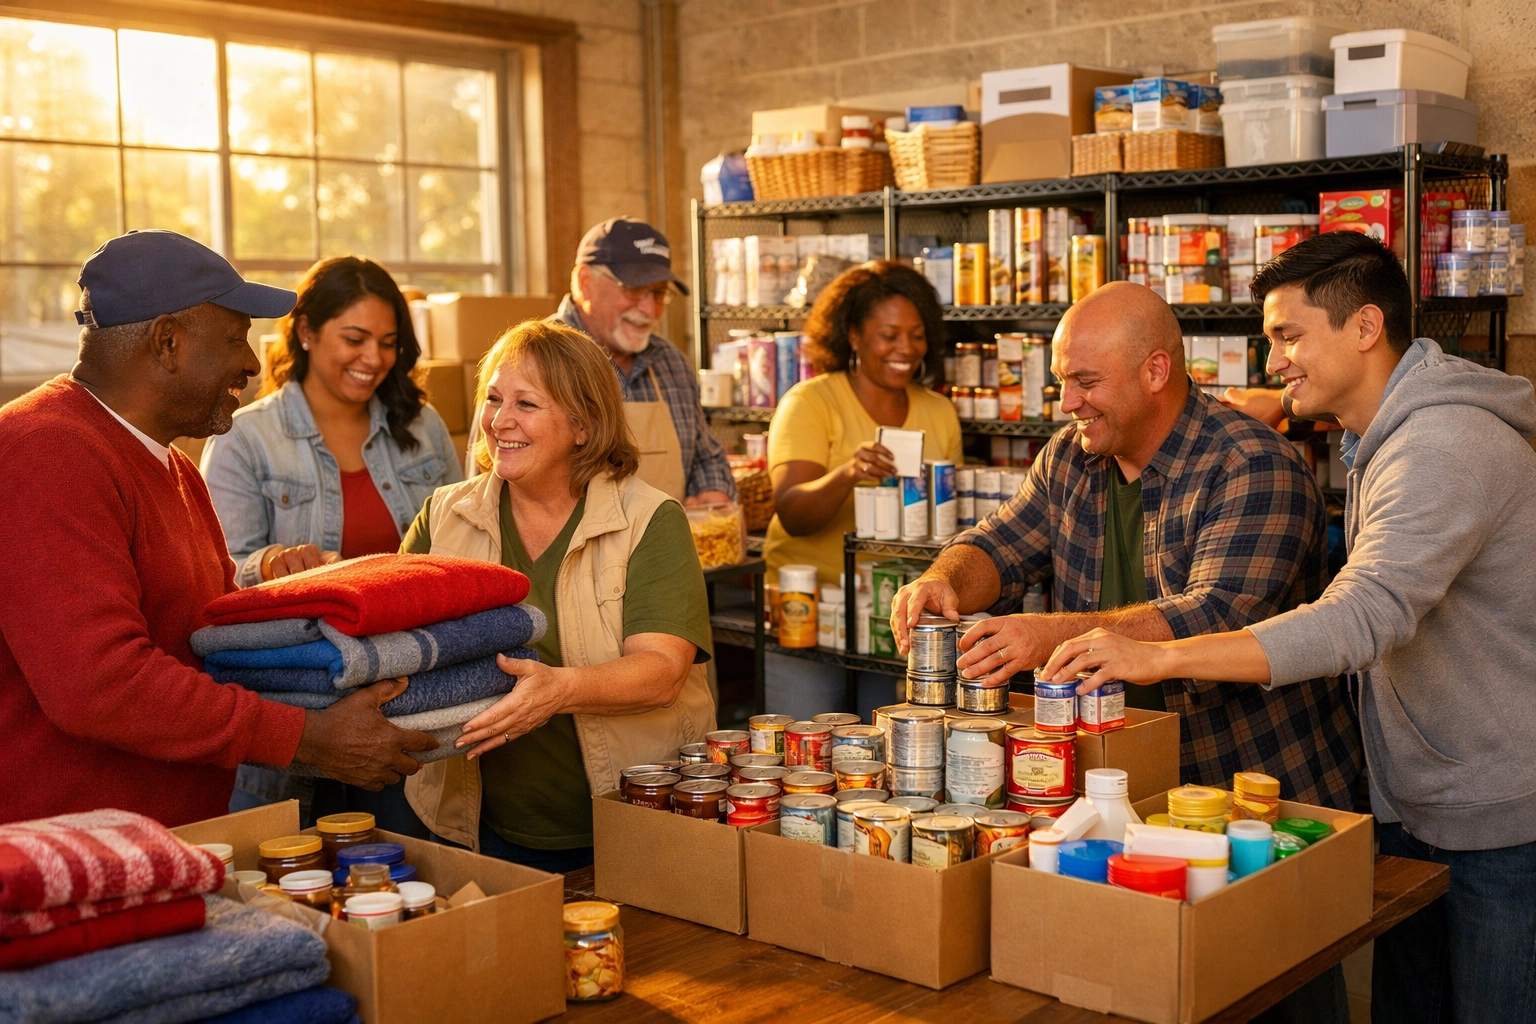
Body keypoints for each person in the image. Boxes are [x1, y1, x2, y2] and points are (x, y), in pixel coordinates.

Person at [1040, 232, 1536, 1024]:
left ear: (1366, 327)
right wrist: (1297, 404)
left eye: (1289, 337)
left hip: (1497, 813)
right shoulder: (1379, 433)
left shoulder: (1443, 444)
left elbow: (1361, 618)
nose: (1273, 364)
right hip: (1424, 796)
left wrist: (1159, 655)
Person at [0, 229, 437, 827]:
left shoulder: (173, 463)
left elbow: (210, 637)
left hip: (173, 839)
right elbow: (101, 684)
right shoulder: (46, 451)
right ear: (169, 342)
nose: (253, 363)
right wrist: (304, 736)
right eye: (235, 338)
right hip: (80, 855)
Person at [891, 282, 1362, 810]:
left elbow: (1216, 615)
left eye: (1086, 382)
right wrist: (942, 580)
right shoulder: (1071, 455)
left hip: (1247, 788)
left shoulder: (1252, 464)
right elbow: (999, 543)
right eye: (1061, 382)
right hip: (1111, 778)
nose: (1068, 403)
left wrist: (1043, 636)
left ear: (1156, 371)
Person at [400, 319, 717, 872]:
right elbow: (399, 643)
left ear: (584, 425)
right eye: (493, 399)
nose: (501, 421)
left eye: (526, 404)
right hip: (475, 824)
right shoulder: (445, 515)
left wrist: (559, 691)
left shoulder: (649, 520)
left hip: (632, 819)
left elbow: (663, 671)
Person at [201, 255, 462, 828]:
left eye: (389, 342)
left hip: (412, 700)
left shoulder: (422, 427)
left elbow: (458, 557)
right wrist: (268, 564)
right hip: (300, 713)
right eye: (355, 338)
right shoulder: (246, 437)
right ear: (307, 331)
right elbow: (218, 581)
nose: (373, 358)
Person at [764, 261, 963, 720]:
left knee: (888, 760)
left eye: (916, 335)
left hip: (897, 622)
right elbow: (792, 513)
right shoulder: (811, 402)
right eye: (888, 335)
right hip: (813, 618)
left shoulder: (939, 412)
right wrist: (848, 473)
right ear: (853, 335)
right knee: (807, 754)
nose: (905, 349)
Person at [552, 216, 735, 506]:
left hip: (665, 549)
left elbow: (705, 455)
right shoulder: (536, 360)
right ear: (585, 282)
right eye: (633, 288)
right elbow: (494, 484)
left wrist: (711, 492)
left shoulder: (670, 362)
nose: (650, 309)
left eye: (659, 293)